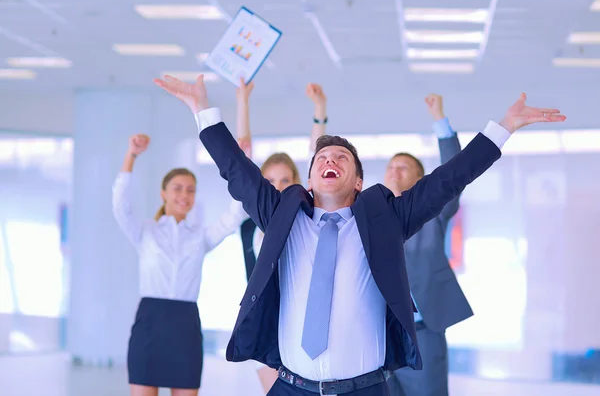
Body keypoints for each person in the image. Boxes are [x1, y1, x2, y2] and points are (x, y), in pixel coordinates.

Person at [154, 73, 565, 396]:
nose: (330, 159)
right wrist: (202, 109)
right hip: (290, 387)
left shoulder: (387, 219)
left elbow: (447, 180)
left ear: (358, 182)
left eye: (342, 158)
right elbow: (236, 170)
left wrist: (503, 128)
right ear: (311, 178)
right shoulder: (281, 216)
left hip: (365, 390)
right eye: (323, 158)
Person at [112, 133, 247, 396]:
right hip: (149, 323)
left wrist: (239, 162)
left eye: (190, 190)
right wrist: (132, 155)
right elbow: (120, 206)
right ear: (163, 193)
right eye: (177, 188)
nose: (184, 195)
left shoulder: (201, 236)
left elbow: (235, 215)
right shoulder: (146, 231)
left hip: (185, 326)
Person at [234, 78, 327, 393]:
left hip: (297, 319)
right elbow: (240, 156)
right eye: (269, 180)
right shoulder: (251, 221)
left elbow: (318, 156)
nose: (277, 186)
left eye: (285, 180)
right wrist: (242, 101)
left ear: (297, 183)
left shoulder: (303, 218)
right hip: (264, 319)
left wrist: (319, 109)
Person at [384, 94, 472, 396]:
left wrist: (440, 120)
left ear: (420, 179)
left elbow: (455, 176)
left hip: (422, 336)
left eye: (403, 167)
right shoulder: (367, 219)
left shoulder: (431, 215)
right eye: (390, 167)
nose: (394, 171)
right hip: (376, 342)